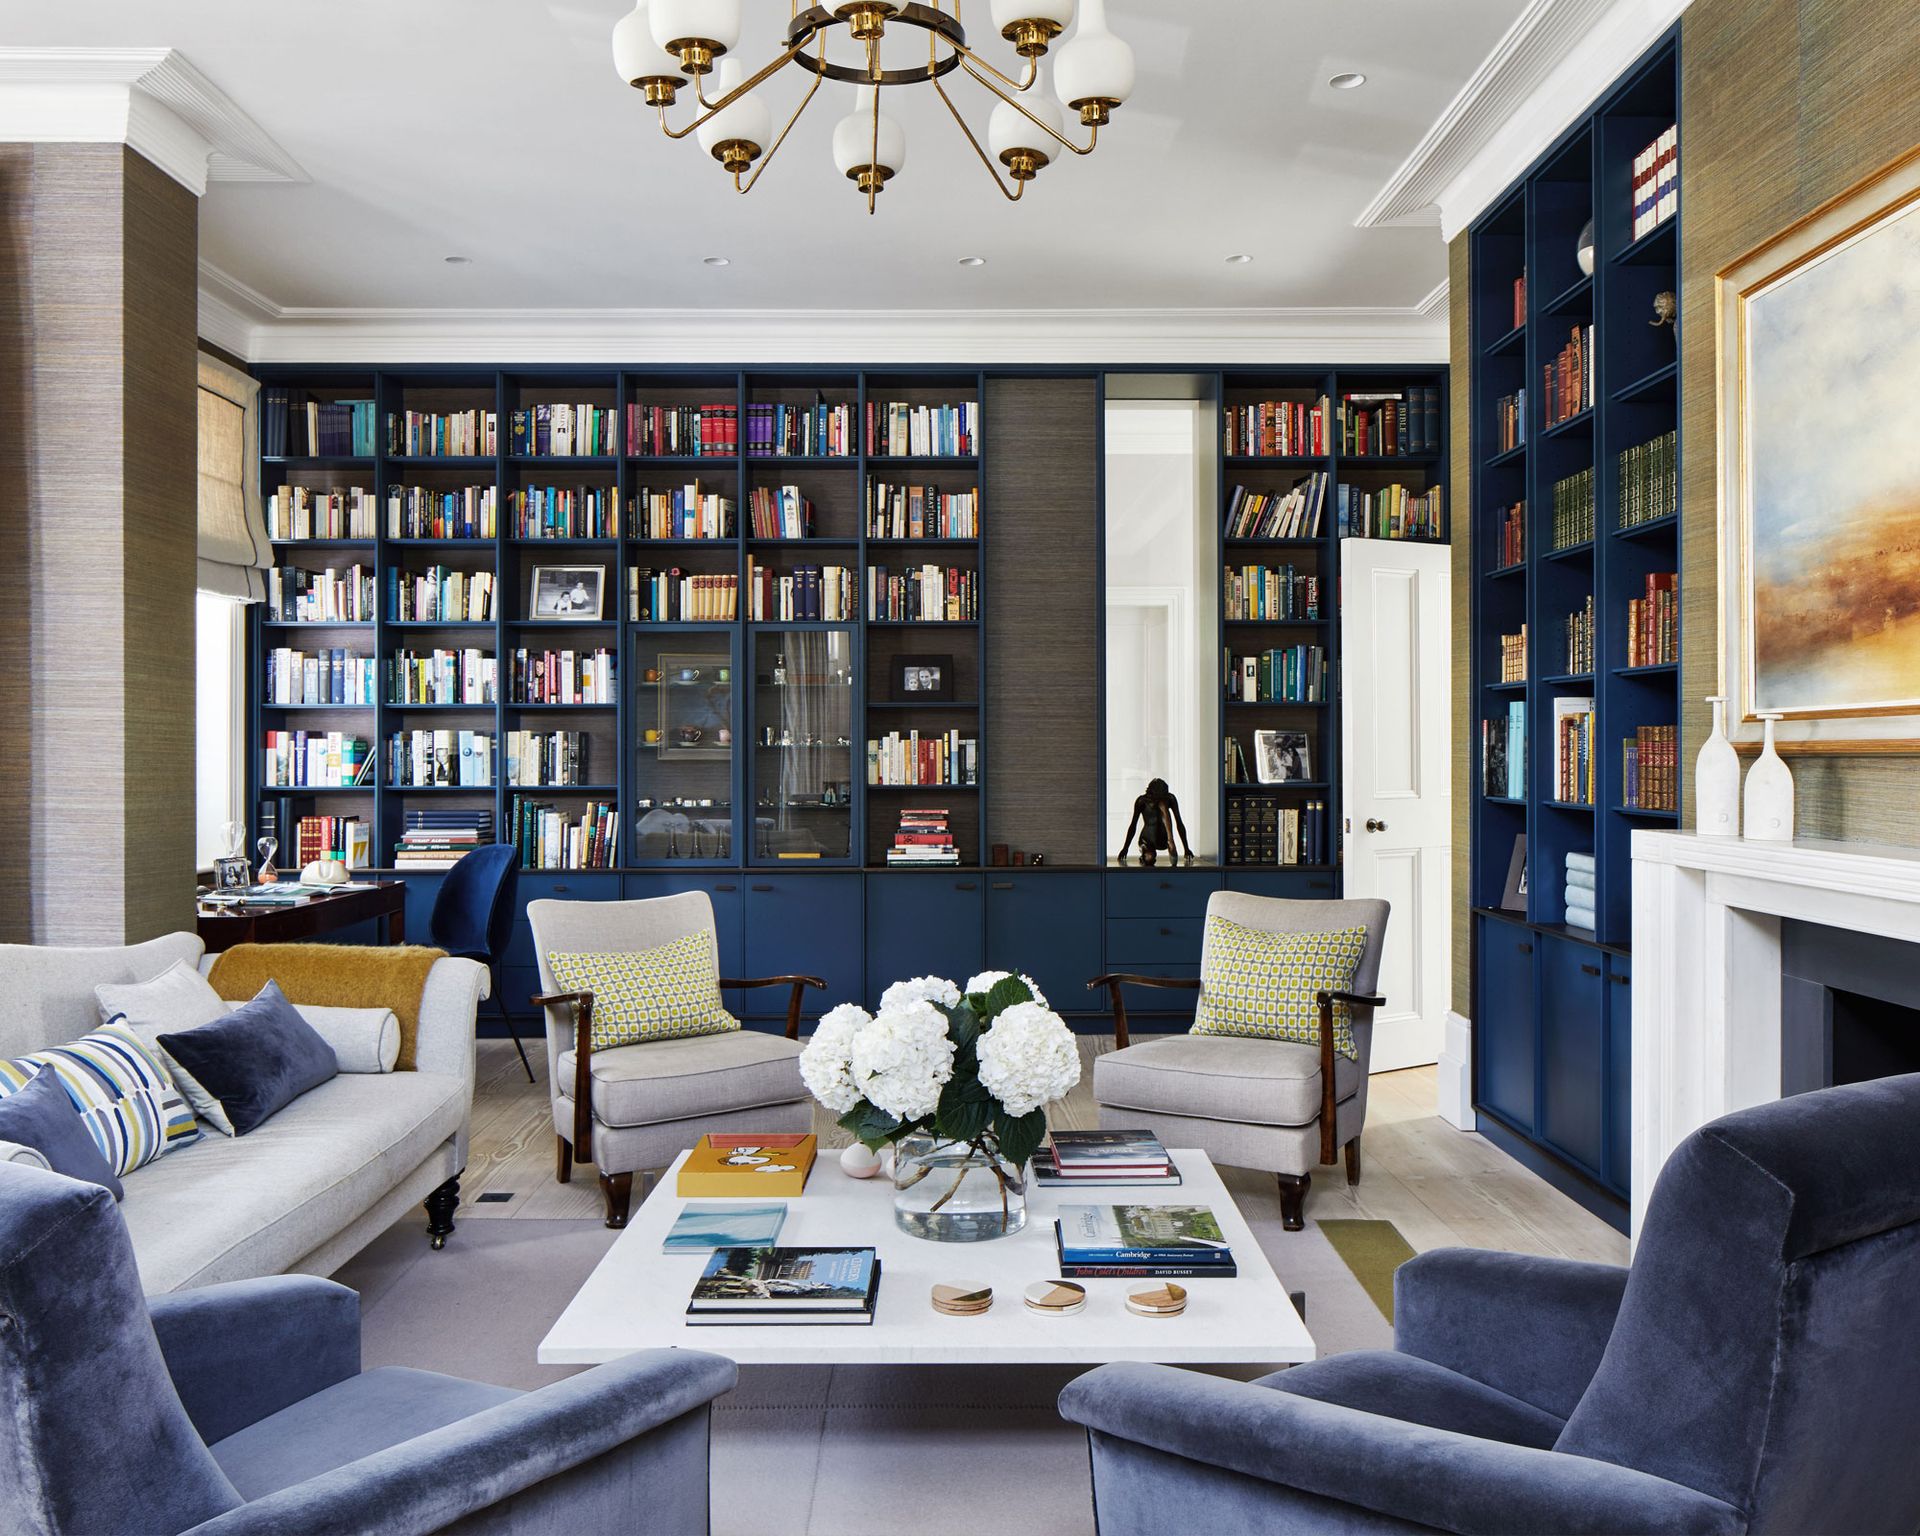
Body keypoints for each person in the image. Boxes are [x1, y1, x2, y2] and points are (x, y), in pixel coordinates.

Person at [1117, 778, 1192, 866]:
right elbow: (1133, 826)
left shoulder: (1169, 798)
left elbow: (1179, 823)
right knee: (1150, 858)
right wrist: (1125, 848)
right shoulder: (1142, 801)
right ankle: (1148, 855)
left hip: (1165, 839)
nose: (1161, 798)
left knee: (1163, 805)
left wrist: (1186, 848)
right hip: (1147, 840)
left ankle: (1170, 842)